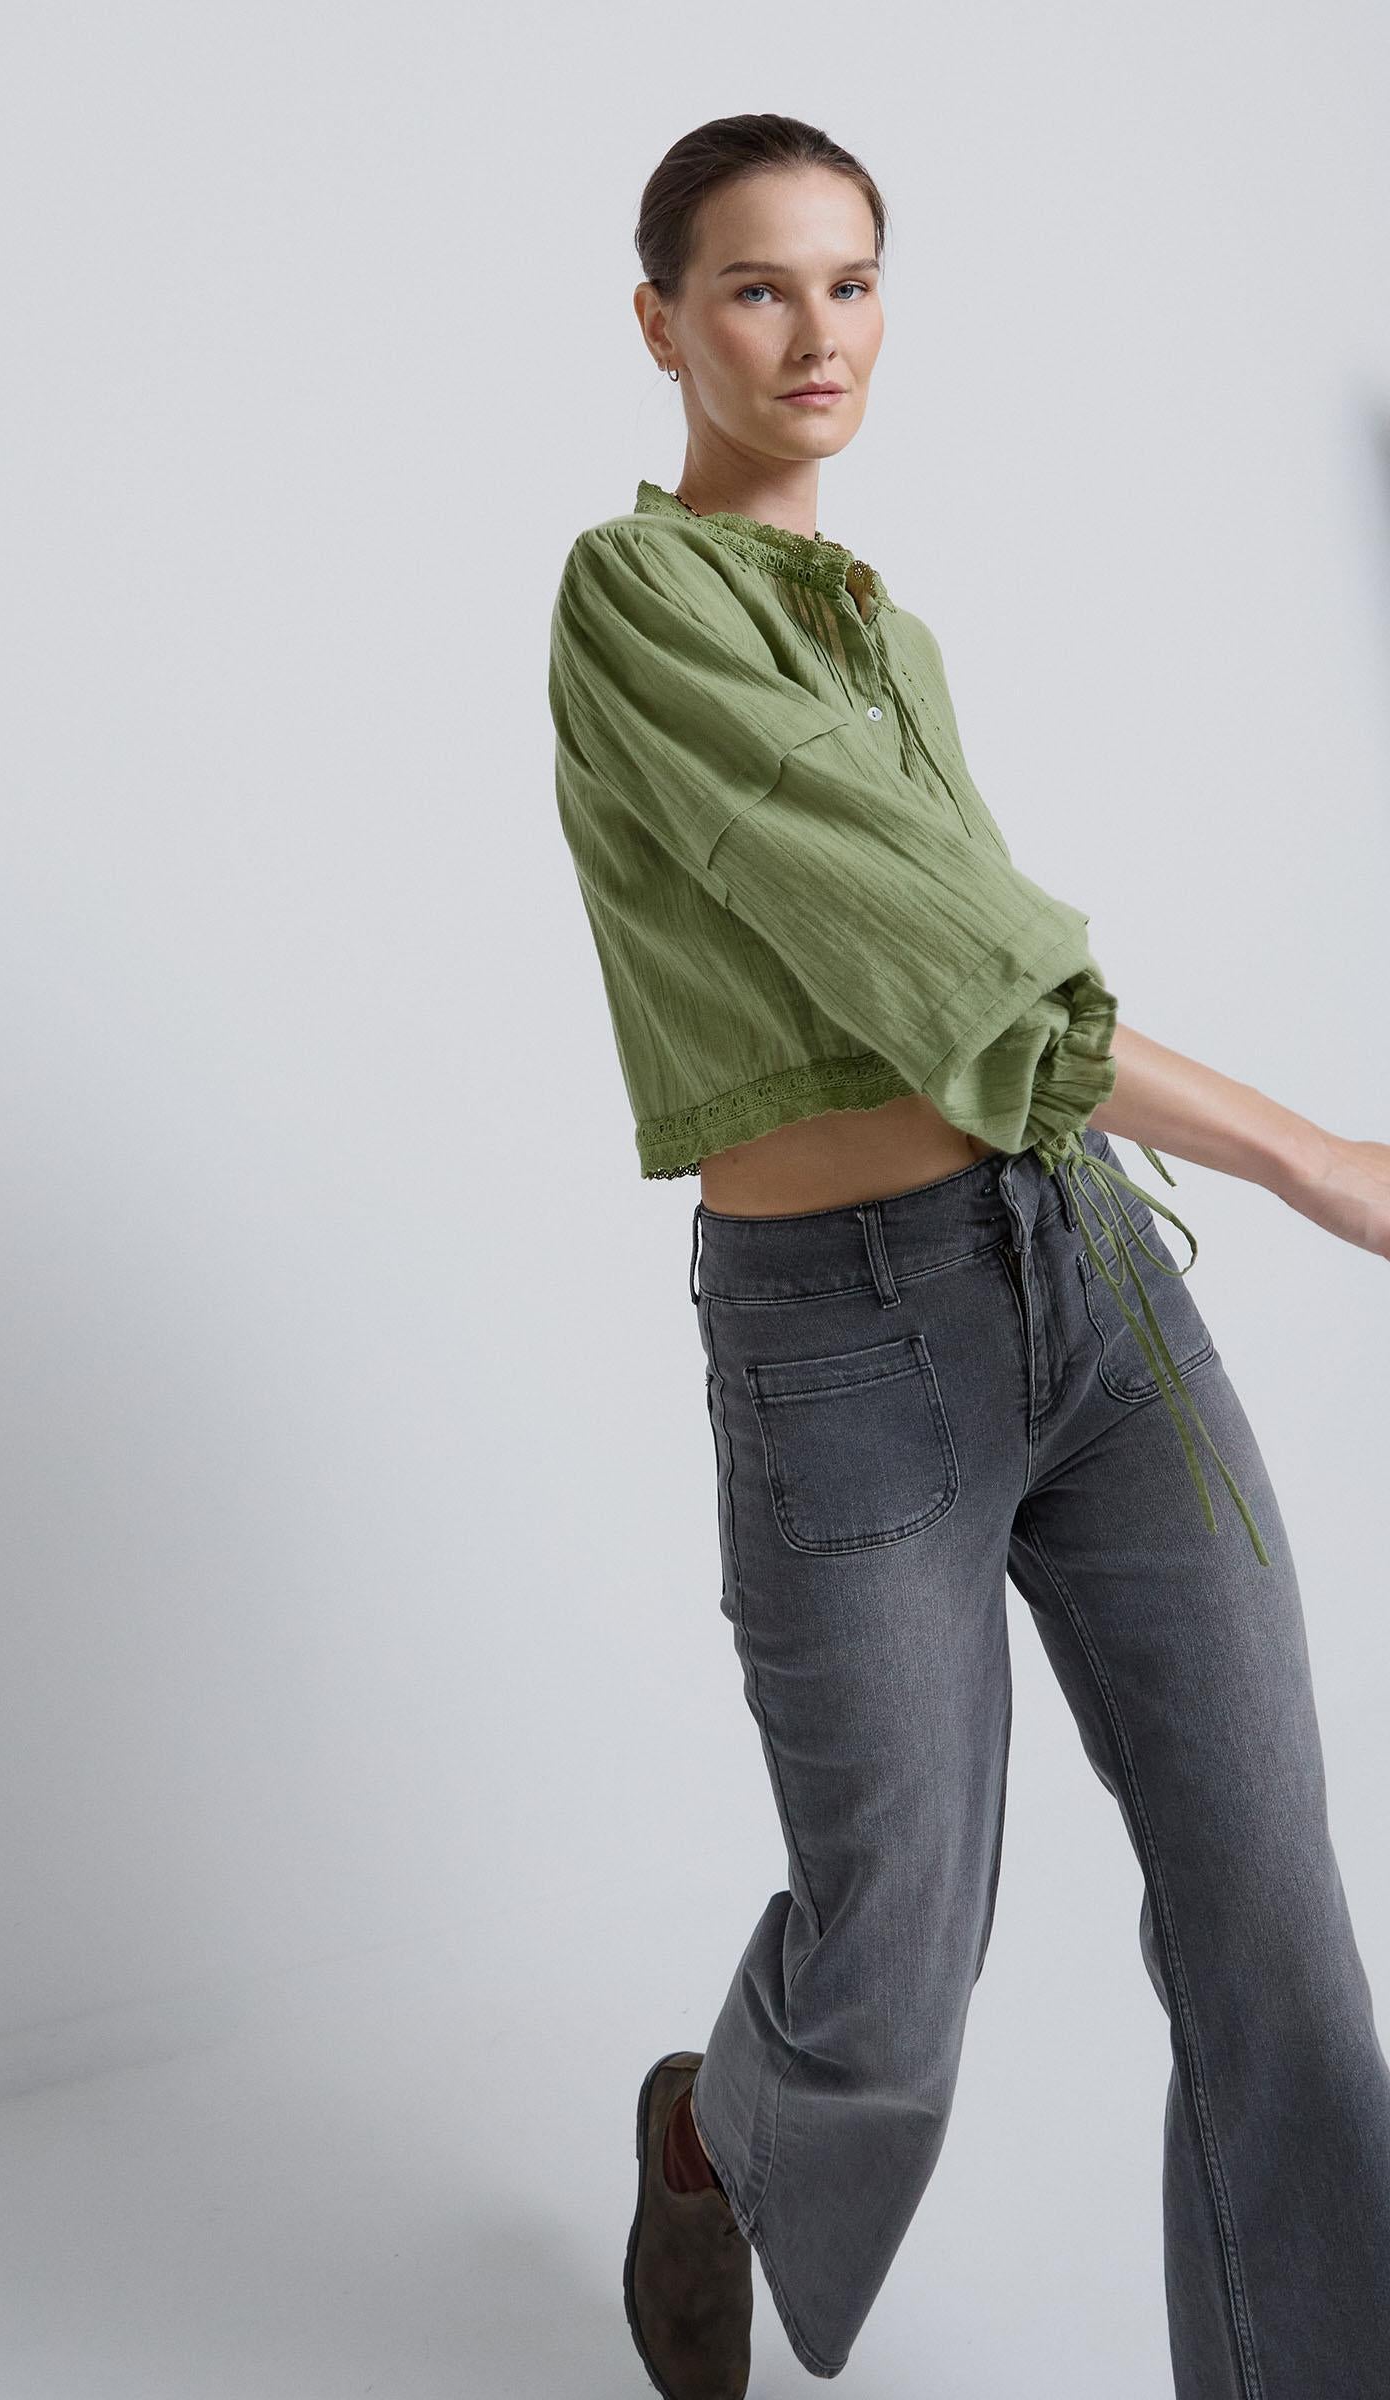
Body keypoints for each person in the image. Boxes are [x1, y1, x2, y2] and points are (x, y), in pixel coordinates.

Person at [546, 112, 1390, 2400]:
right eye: (755, 286)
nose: (815, 332)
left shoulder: (887, 633)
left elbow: (984, 1016)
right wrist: (1315, 1157)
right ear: (661, 322)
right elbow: (959, 982)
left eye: (852, 281)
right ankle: (713, 2136)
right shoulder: (633, 604)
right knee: (893, 1985)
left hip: (1090, 1287)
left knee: (1278, 1933)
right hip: (849, 1358)